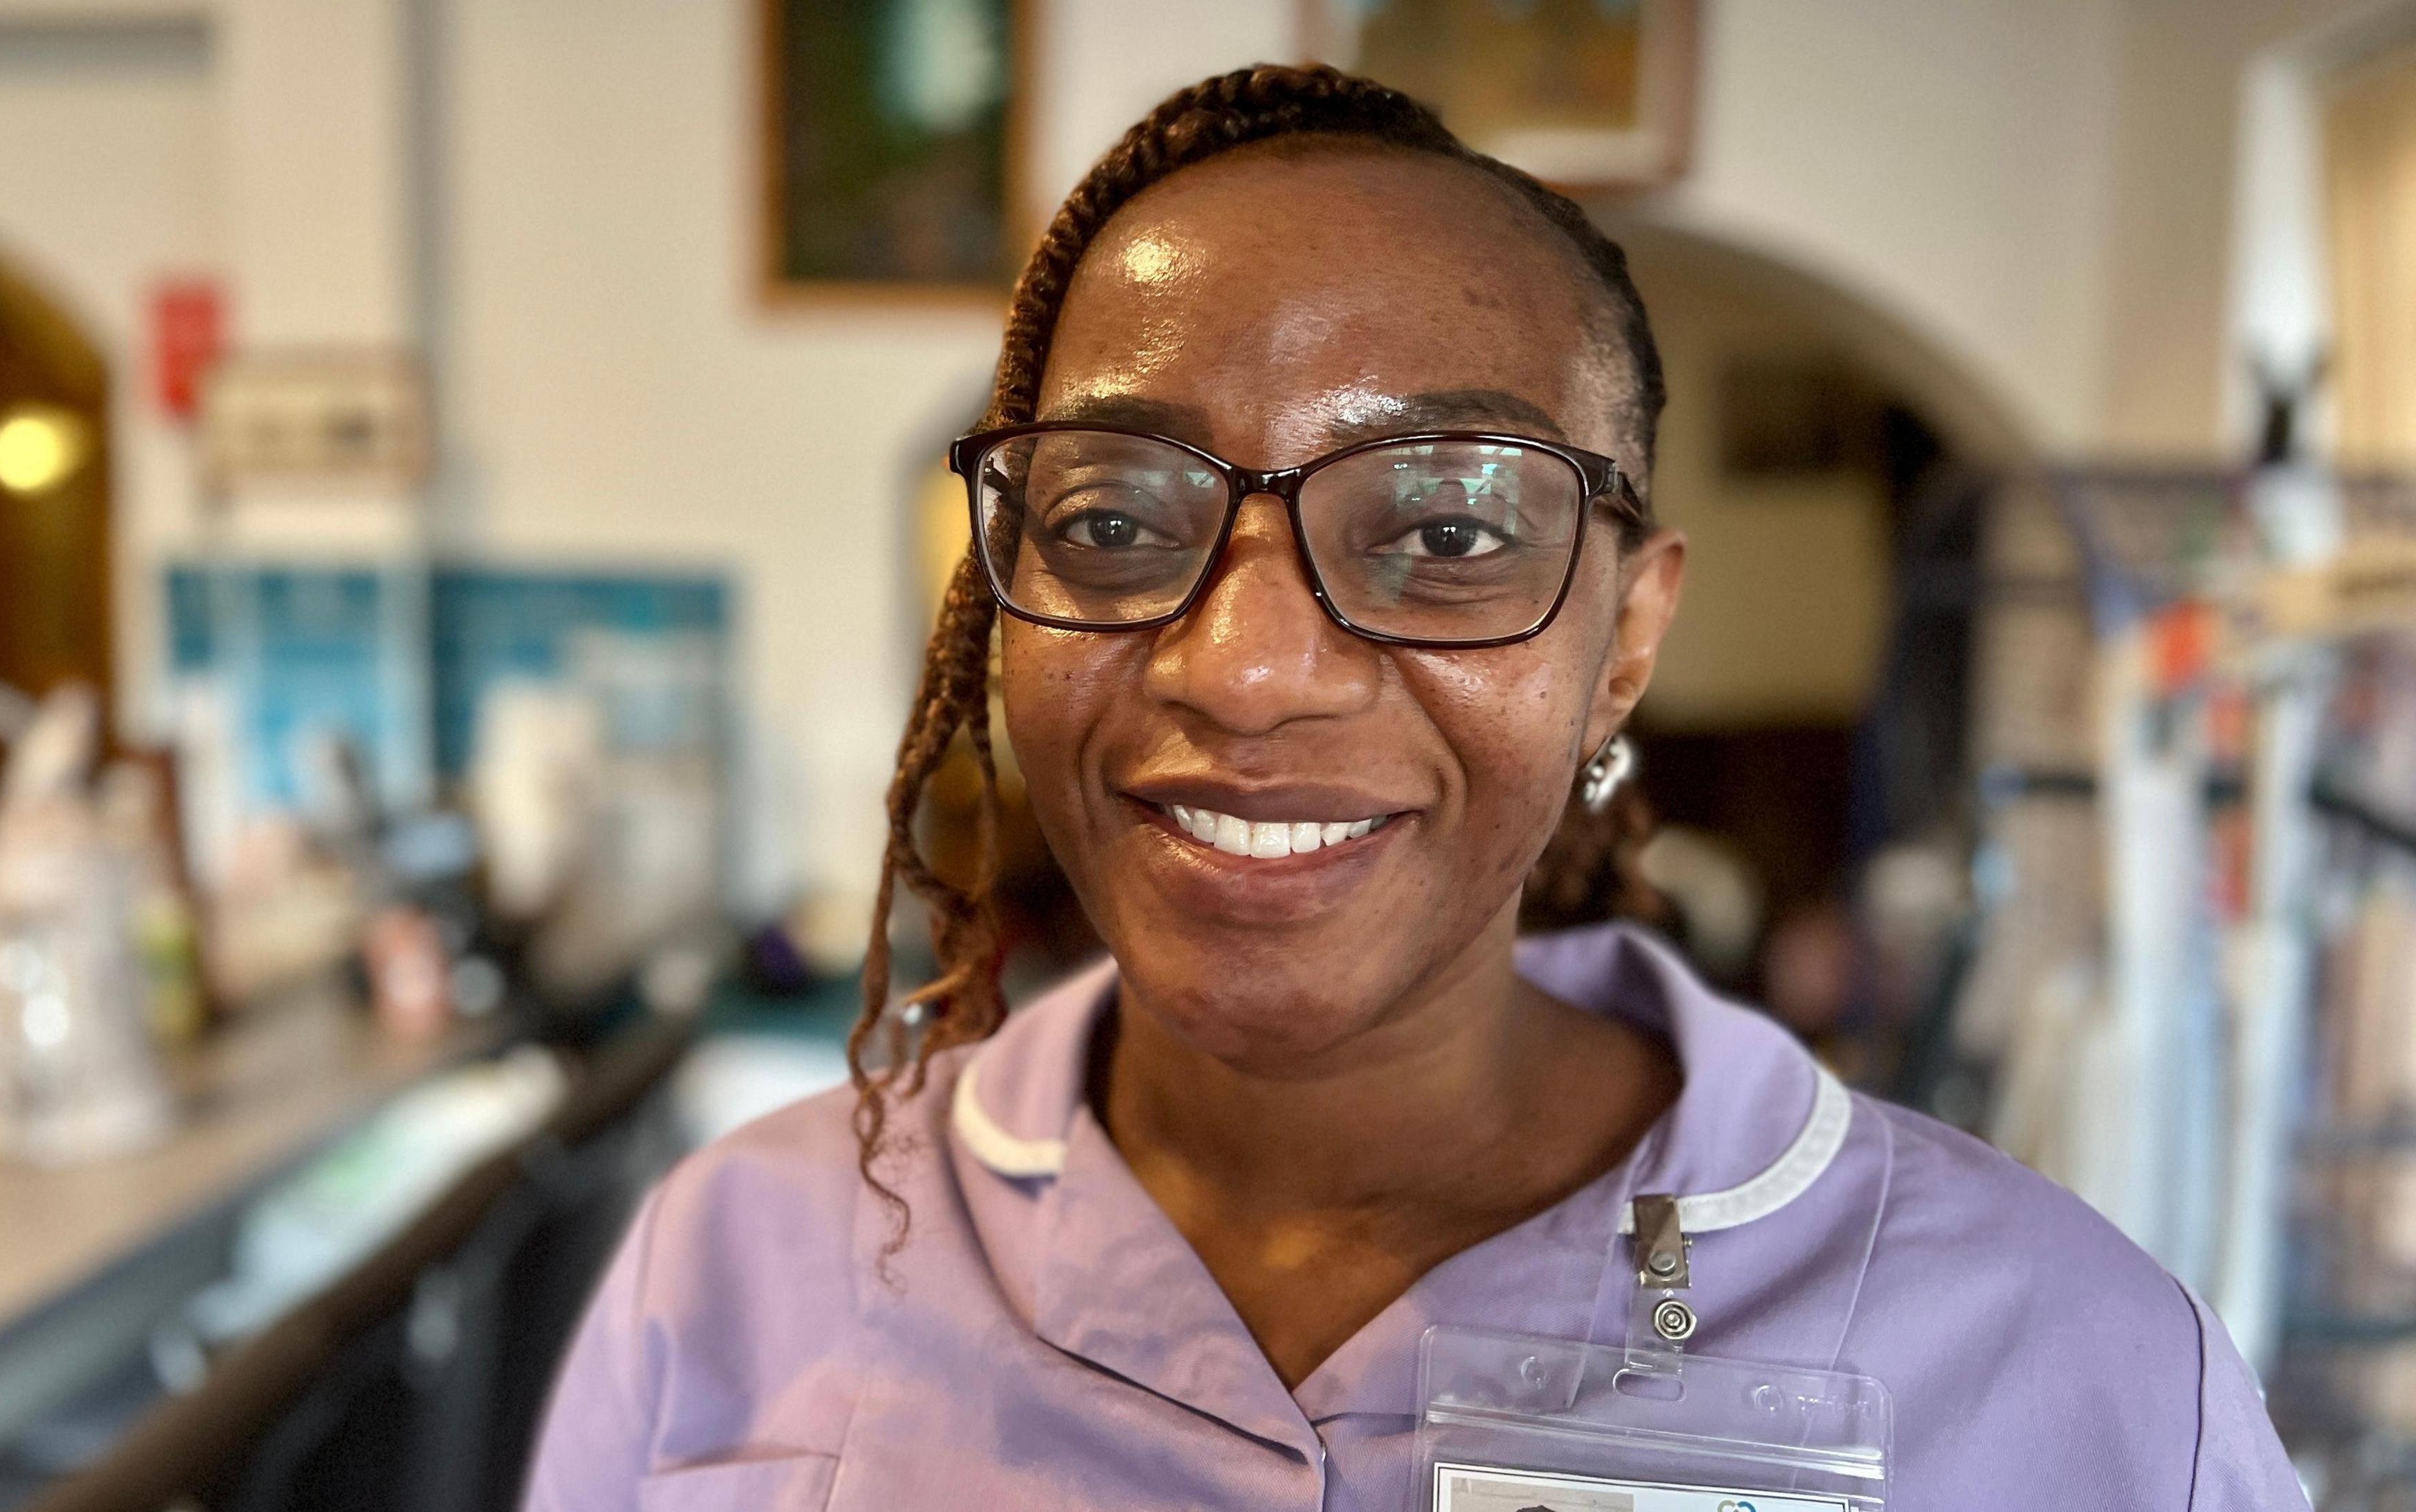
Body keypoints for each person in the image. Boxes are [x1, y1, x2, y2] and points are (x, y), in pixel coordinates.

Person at [526, 64, 2303, 1510]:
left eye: (1448, 530)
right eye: (1113, 520)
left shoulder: (2078, 1379)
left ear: (1626, 637)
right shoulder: (741, 1267)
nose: (1243, 663)